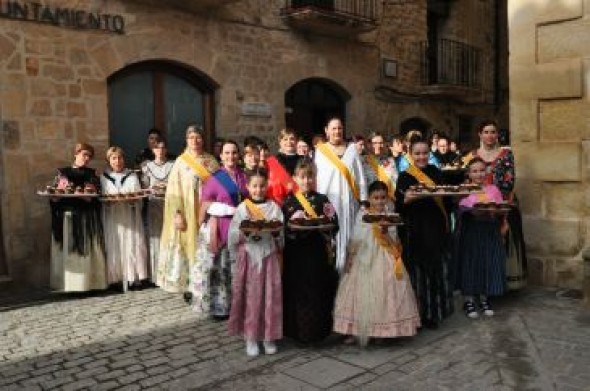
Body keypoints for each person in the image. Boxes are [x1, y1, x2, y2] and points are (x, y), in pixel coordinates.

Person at [333, 181, 420, 346]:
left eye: (383, 198)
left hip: (385, 256)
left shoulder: (391, 215)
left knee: (385, 290)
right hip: (365, 257)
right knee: (360, 293)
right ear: (370, 198)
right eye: (376, 198)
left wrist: (386, 231)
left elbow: (394, 241)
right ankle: (357, 330)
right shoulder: (363, 214)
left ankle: (383, 330)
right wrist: (350, 259)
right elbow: (357, 237)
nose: (380, 201)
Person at [395, 137, 453, 328]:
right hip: (416, 230)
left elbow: (446, 200)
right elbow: (399, 205)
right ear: (411, 155)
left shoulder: (436, 172)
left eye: (425, 153)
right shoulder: (405, 176)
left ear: (430, 154)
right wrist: (409, 198)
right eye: (417, 153)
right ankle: (417, 315)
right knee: (418, 276)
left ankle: (434, 314)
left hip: (435, 227)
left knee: (437, 271)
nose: (421, 157)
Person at [463, 120, 527, 290]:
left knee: (503, 242)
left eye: (493, 132)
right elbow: (466, 179)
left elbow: (509, 181)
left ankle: (501, 283)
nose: (490, 135)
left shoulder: (506, 154)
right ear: (480, 134)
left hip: (503, 203)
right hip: (478, 206)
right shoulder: (472, 155)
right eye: (486, 132)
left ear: (497, 135)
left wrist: (494, 200)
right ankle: (482, 282)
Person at [227, 169, 284, 357]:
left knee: (270, 297)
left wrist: (276, 233)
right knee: (251, 297)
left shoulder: (274, 208)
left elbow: (280, 234)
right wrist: (245, 232)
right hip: (249, 256)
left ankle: (268, 336)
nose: (258, 190)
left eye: (261, 186)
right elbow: (233, 236)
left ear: (267, 185)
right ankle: (251, 337)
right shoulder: (243, 208)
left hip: (268, 256)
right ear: (248, 187)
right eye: (254, 186)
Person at [282, 159, 339, 343]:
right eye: (303, 177)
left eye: (310, 177)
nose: (307, 181)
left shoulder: (323, 200)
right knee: (298, 292)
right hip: (296, 255)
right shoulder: (289, 203)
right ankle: (297, 332)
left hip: (317, 253)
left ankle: (318, 332)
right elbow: (283, 228)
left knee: (318, 290)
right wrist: (292, 230)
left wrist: (324, 226)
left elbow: (334, 223)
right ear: (295, 179)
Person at [157, 125, 219, 293]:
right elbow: (173, 191)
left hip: (207, 212)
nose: (195, 141)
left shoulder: (211, 161)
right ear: (186, 140)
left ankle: (206, 282)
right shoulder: (181, 162)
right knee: (189, 244)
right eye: (191, 138)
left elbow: (220, 188)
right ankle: (189, 285)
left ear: (203, 139)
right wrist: (177, 214)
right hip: (187, 212)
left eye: (198, 137)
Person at [191, 140, 248, 318]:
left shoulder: (244, 176)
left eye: (234, 153)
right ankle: (218, 307)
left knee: (235, 270)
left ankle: (237, 307)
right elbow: (205, 204)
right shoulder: (215, 179)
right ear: (221, 156)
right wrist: (225, 209)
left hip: (239, 228)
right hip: (219, 227)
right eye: (227, 153)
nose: (231, 156)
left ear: (238, 156)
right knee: (219, 269)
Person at [49, 143, 107, 292]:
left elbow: (97, 194)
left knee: (86, 250)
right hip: (68, 215)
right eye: (84, 155)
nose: (87, 158)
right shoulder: (62, 172)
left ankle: (89, 284)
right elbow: (55, 195)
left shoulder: (92, 174)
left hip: (86, 216)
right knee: (70, 249)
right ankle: (70, 286)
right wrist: (55, 196)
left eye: (89, 156)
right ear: (76, 154)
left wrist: (90, 195)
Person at [455, 158, 506, 318]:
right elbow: (459, 210)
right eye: (475, 171)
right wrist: (470, 211)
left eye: (482, 170)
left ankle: (484, 298)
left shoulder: (493, 189)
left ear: (487, 172)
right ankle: (468, 300)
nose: (479, 174)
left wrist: (495, 211)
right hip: (471, 231)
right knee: (470, 264)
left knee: (487, 263)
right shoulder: (464, 190)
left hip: (489, 230)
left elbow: (501, 209)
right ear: (469, 174)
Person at [314, 117, 367, 271]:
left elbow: (360, 176)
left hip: (350, 203)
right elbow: (316, 177)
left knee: (351, 240)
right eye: (333, 128)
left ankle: (348, 279)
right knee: (330, 243)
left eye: (340, 128)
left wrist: (364, 201)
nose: (337, 131)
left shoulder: (352, 150)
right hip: (328, 203)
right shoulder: (320, 151)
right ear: (326, 131)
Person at [101, 147, 149, 290]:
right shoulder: (104, 177)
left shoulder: (132, 175)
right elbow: (102, 197)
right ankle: (115, 278)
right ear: (109, 161)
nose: (118, 161)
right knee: (114, 245)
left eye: (120, 158)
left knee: (132, 244)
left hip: (130, 216)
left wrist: (133, 201)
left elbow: (138, 196)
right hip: (114, 217)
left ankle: (133, 278)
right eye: (114, 158)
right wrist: (109, 202)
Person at [141, 138, 175, 285]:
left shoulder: (173, 165)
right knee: (155, 238)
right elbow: (144, 187)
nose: (160, 151)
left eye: (162, 148)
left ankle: (170, 273)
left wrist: (167, 186)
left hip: (169, 205)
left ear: (166, 149)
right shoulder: (146, 167)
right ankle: (155, 275)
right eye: (157, 148)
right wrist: (153, 189)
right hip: (154, 204)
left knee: (170, 238)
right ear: (153, 150)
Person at [266, 128, 301, 206]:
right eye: (285, 139)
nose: (289, 142)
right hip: (280, 201)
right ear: (280, 142)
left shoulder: (304, 160)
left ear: (296, 141)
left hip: (301, 200)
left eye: (292, 139)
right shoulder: (272, 161)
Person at [363, 131, 398, 202]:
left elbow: (395, 180)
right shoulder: (362, 162)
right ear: (369, 144)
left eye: (381, 143)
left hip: (389, 201)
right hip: (370, 202)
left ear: (385, 144)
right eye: (375, 143)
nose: (378, 146)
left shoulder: (391, 161)